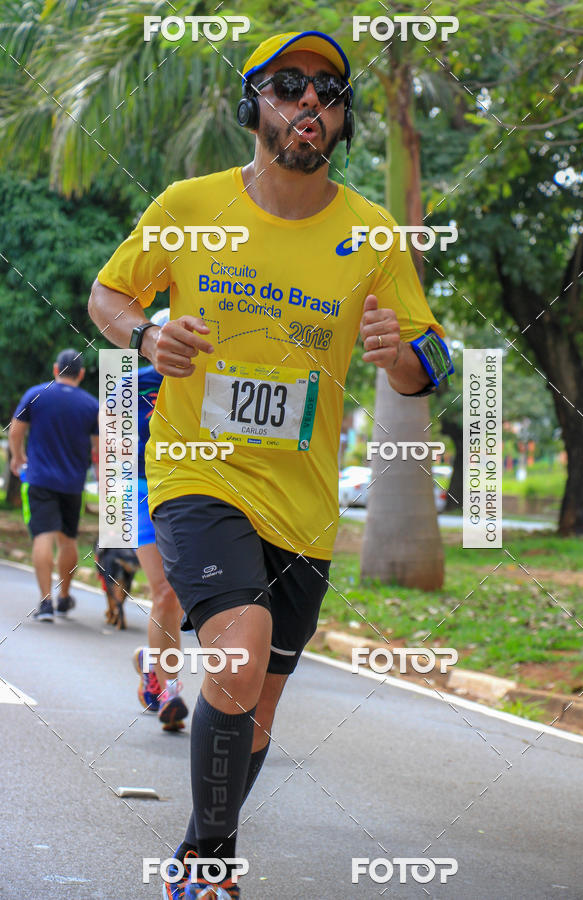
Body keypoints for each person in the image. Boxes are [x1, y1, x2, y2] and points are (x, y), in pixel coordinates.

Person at [88, 30, 447, 899]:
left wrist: (397, 351)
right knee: (238, 660)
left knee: (258, 707)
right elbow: (109, 294)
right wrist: (147, 334)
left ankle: (195, 848)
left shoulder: (371, 234)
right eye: (290, 87)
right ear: (255, 106)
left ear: (340, 119)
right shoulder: (188, 204)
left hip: (305, 500)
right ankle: (211, 868)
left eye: (328, 93)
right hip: (196, 469)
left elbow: (429, 359)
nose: (310, 106)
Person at [9, 349, 99, 622]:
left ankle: (45, 602)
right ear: (81, 374)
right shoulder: (91, 405)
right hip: (73, 483)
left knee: (43, 536)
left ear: (55, 369)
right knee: (68, 539)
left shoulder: (36, 394)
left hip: (39, 479)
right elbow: (97, 448)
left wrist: (18, 457)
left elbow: (15, 430)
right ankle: (64, 597)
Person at [132, 308, 189, 731]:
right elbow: (112, 449)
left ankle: (152, 661)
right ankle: (168, 690)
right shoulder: (129, 385)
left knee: (187, 600)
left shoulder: (210, 383)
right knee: (165, 592)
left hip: (195, 491)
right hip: (139, 490)